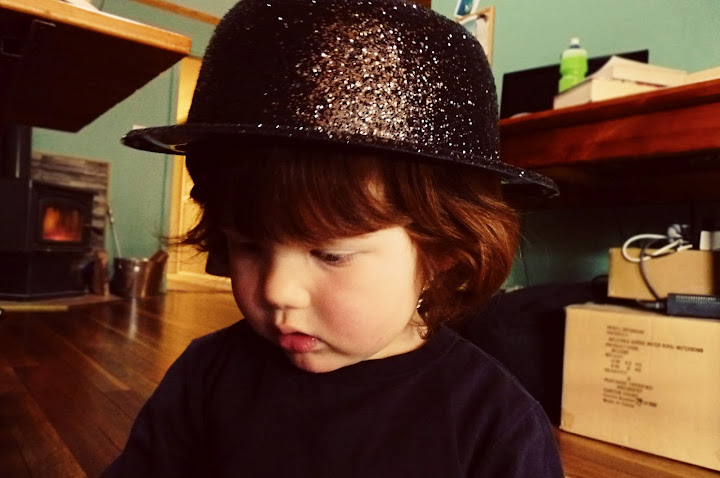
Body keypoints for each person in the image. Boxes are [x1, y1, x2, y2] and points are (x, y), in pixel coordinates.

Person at [103, 0, 563, 476]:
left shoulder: (496, 427)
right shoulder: (206, 376)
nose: (276, 290)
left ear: (442, 248)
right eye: (249, 245)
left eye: (330, 254)